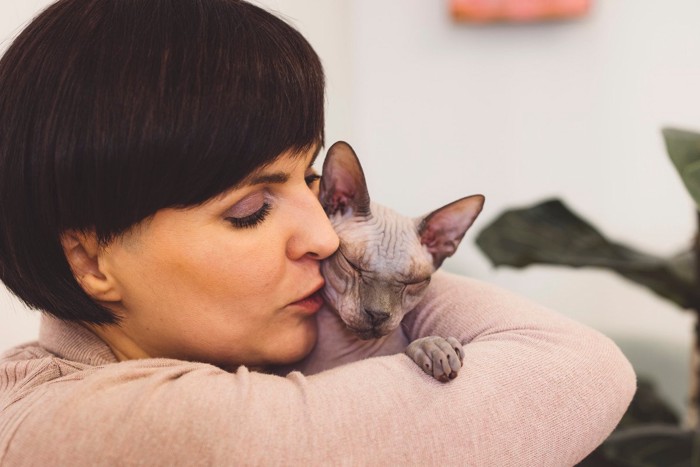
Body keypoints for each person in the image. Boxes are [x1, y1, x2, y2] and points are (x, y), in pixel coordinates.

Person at [0, 0, 635, 465]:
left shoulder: (238, 351)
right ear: (90, 262)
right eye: (250, 209)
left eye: (307, 180)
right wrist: (402, 273)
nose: (326, 239)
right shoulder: (79, 429)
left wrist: (397, 261)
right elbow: (580, 368)